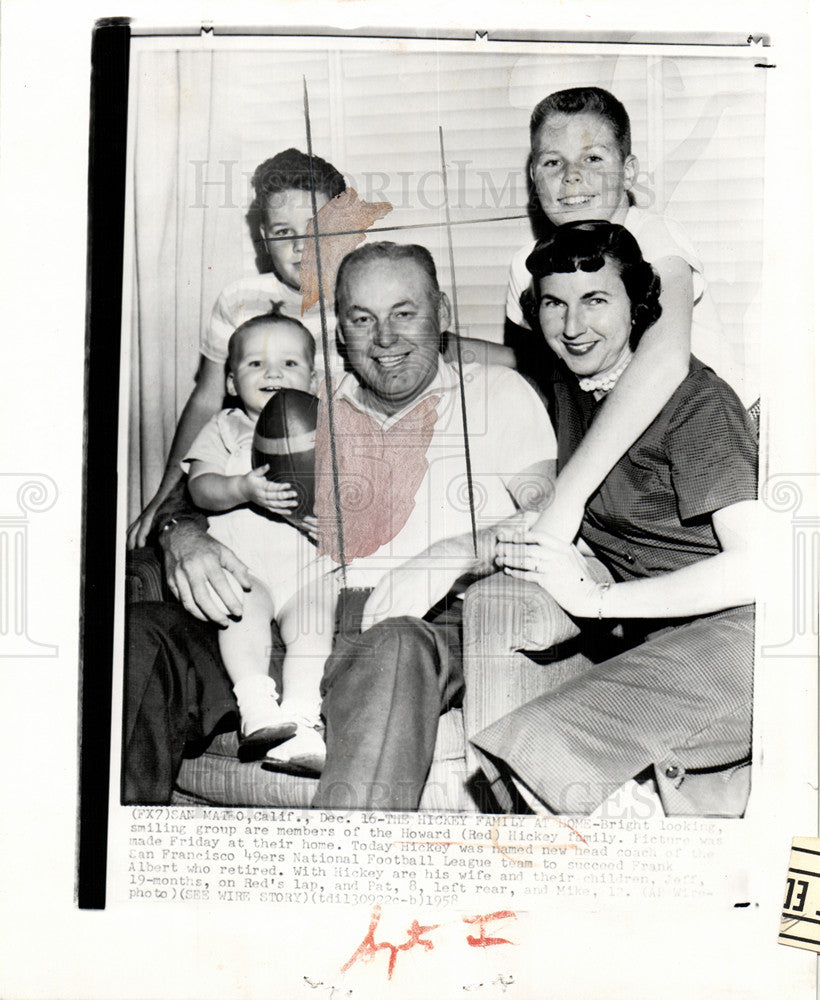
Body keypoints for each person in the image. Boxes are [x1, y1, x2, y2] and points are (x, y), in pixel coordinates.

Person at [123, 241, 556, 807]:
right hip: (282, 616)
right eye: (362, 319)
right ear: (340, 335)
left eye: (405, 313)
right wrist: (182, 535)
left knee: (394, 646)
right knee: (141, 635)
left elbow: (546, 512)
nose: (384, 338)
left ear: (443, 314)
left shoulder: (496, 395)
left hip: (412, 626)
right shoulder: (303, 402)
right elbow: (205, 479)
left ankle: (350, 879)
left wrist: (458, 549)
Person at [472, 220, 757, 817]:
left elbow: (759, 572)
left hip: (753, 643)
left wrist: (596, 600)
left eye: (596, 301)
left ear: (640, 306)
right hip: (671, 644)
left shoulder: (697, 403)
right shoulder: (577, 390)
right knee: (513, 762)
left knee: (541, 750)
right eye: (555, 304)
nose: (574, 327)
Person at [505, 86, 742, 552]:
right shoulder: (526, 266)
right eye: (553, 163)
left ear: (629, 171)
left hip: (710, 442)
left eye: (593, 158)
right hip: (623, 459)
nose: (572, 178)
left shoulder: (655, 237)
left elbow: (663, 363)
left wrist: (566, 500)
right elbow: (540, 370)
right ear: (534, 176)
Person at [127, 148, 347, 549]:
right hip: (243, 472)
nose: (301, 248)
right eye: (284, 233)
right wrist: (163, 496)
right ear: (264, 237)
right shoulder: (239, 297)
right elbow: (208, 398)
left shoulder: (358, 297)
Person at [184, 309, 335, 771]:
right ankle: (257, 709)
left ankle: (303, 722)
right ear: (230, 382)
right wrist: (241, 489)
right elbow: (199, 487)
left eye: (289, 364)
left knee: (314, 627)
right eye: (255, 364)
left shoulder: (329, 427)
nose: (272, 373)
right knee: (240, 615)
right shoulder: (225, 428)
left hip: (308, 567)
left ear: (314, 379)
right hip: (246, 568)